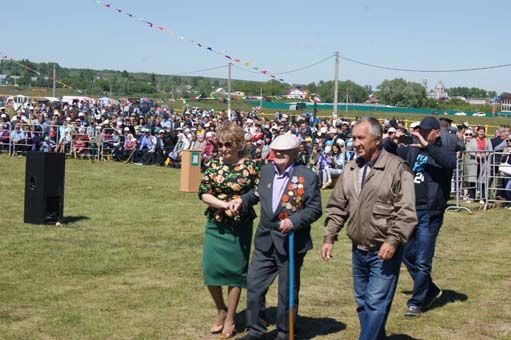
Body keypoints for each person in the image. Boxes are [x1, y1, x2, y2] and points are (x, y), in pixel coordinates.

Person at [322, 117, 417, 340]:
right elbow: (338, 205)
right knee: (363, 303)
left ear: (377, 139)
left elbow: (407, 210)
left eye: (360, 138)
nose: (355, 143)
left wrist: (393, 240)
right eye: (353, 138)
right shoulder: (351, 167)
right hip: (358, 249)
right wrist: (329, 237)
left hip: (383, 251)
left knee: (376, 303)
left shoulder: (396, 168)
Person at [233, 133, 322, 340]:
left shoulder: (307, 176)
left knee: (287, 291)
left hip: (291, 241)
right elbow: (257, 193)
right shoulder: (265, 172)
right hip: (265, 240)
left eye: (285, 152)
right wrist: (242, 200)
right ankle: (255, 330)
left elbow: (315, 209)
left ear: (295, 153)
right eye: (276, 151)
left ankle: (284, 331)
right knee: (254, 287)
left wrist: (294, 221)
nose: (279, 154)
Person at [384, 116, 456, 317]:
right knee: (406, 254)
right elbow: (387, 151)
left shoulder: (443, 150)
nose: (422, 134)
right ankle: (429, 289)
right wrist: (392, 139)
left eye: (426, 131)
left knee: (423, 260)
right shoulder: (413, 149)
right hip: (409, 211)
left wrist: (429, 147)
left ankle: (416, 302)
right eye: (420, 131)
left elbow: (450, 163)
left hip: (430, 212)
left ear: (436, 132)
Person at [198, 122, 260, 339]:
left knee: (236, 272)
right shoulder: (213, 165)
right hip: (216, 224)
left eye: (228, 144)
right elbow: (203, 193)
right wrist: (224, 205)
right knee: (210, 269)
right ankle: (220, 309)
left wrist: (242, 201)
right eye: (220, 144)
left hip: (240, 226)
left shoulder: (252, 167)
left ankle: (231, 317)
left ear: (239, 145)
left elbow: (259, 192)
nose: (223, 148)